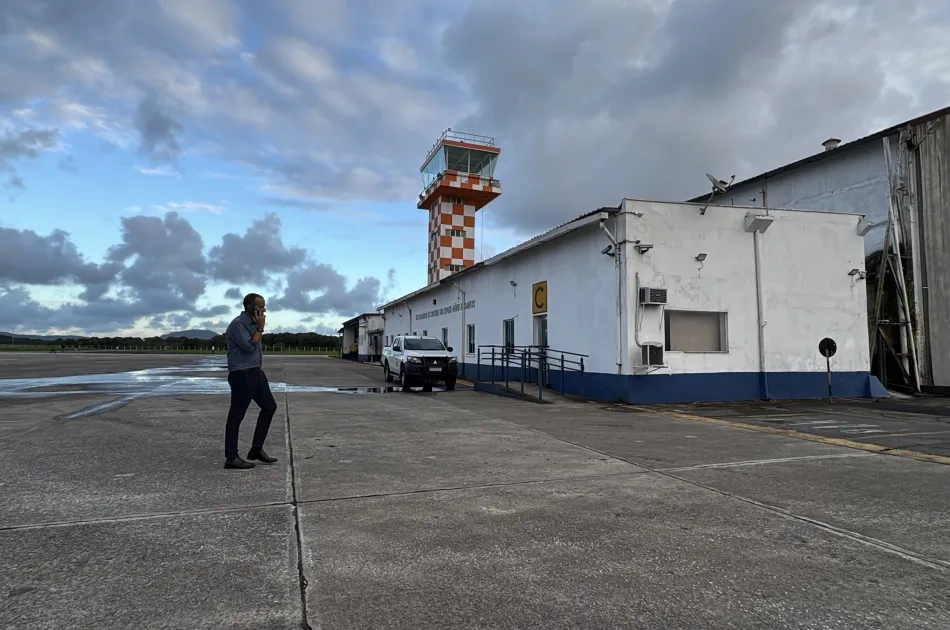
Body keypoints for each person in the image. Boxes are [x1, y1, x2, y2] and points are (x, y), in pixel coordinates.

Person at [222, 293, 278, 470]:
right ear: (249, 307)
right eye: (260, 306)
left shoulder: (253, 323)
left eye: (264, 306)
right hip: (242, 375)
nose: (264, 310)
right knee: (236, 416)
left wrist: (258, 327)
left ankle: (256, 449)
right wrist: (260, 329)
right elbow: (249, 346)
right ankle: (231, 458)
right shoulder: (238, 324)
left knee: (269, 407)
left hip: (256, 373)